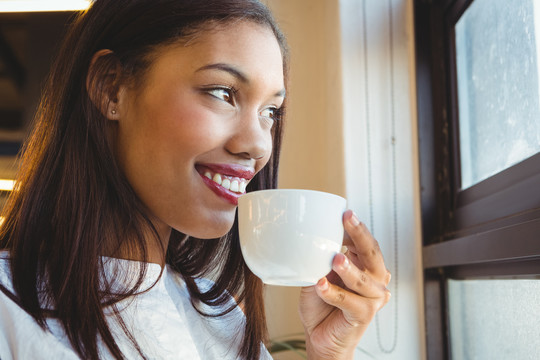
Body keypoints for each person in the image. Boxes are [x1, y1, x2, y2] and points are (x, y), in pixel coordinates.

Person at [0, 0, 391, 359]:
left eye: (270, 111)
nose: (258, 145)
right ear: (111, 87)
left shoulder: (221, 316)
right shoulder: (9, 312)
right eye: (222, 92)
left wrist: (329, 354)